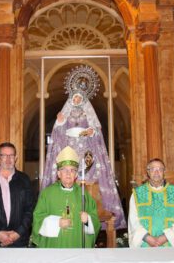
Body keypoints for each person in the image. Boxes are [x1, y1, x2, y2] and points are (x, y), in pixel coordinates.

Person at [42, 65, 126, 230]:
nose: (78, 100)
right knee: (69, 173)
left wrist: (91, 131)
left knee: (89, 177)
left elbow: (97, 130)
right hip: (69, 150)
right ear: (72, 98)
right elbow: (57, 133)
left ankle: (90, 217)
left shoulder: (88, 113)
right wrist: (59, 121)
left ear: (84, 99)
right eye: (76, 97)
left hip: (86, 150)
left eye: (81, 98)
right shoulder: (65, 113)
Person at [32, 146, 101, 248]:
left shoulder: (83, 194)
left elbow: (95, 219)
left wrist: (88, 220)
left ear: (76, 175)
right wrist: (56, 223)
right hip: (54, 247)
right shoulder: (47, 193)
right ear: (59, 174)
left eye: (72, 170)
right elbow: (37, 219)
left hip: (77, 244)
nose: (68, 173)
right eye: (64, 170)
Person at [128, 158, 174, 248]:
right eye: (152, 169)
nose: (156, 172)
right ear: (148, 172)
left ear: (164, 172)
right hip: (145, 244)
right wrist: (147, 238)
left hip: (169, 244)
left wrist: (165, 237)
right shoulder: (137, 194)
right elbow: (133, 221)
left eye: (160, 169)